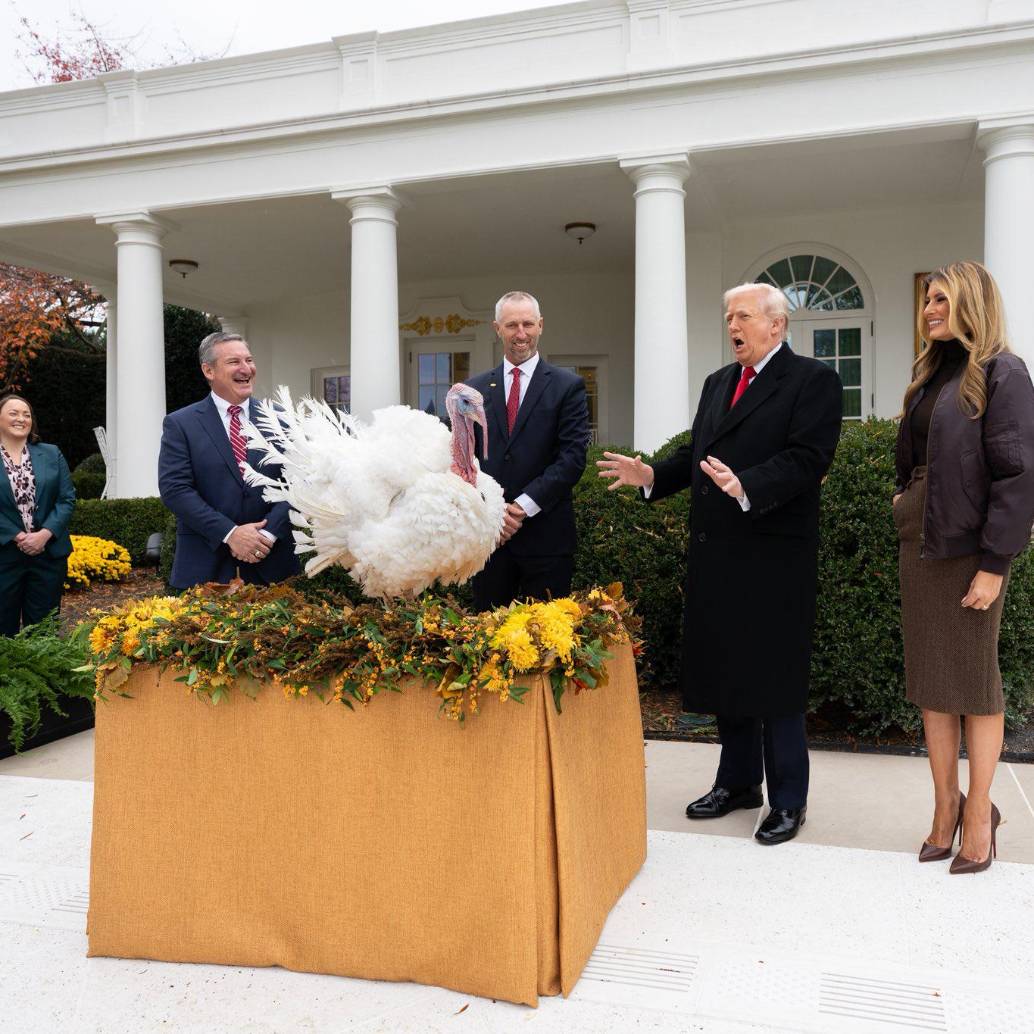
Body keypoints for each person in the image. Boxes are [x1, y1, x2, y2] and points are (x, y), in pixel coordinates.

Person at [598, 283, 842, 845]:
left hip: (774, 556)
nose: (733, 326)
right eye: (729, 316)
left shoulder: (812, 381)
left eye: (744, 316)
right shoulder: (718, 383)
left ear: (776, 325)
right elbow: (696, 454)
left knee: (775, 681)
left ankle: (787, 800)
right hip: (720, 554)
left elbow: (809, 458)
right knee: (729, 671)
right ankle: (736, 785)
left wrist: (748, 484)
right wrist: (654, 475)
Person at [894, 261, 1034, 874]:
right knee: (931, 682)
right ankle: (944, 805)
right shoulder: (931, 373)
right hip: (922, 543)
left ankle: (980, 809)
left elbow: (1017, 473)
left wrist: (995, 563)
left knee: (975, 682)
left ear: (973, 302)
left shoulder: (1003, 372)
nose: (930, 309)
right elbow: (915, 457)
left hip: (971, 549)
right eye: (928, 300)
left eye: (942, 299)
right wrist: (904, 499)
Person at [466, 290, 589, 610]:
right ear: (497, 329)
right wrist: (493, 514)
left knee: (547, 649)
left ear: (541, 326)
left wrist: (518, 509)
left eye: (528, 324)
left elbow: (572, 458)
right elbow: (465, 461)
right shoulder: (474, 390)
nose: (521, 334)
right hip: (490, 543)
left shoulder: (568, 386)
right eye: (511, 326)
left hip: (547, 542)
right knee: (487, 645)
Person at [159, 332, 301, 589]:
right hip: (205, 565)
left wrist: (265, 535)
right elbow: (175, 490)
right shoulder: (181, 424)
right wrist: (231, 533)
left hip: (273, 564)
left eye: (249, 360)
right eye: (235, 362)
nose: (246, 368)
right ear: (209, 370)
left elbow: (300, 482)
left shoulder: (282, 420)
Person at [0, 393, 76, 636]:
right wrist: (16, 536)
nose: (21, 418)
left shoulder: (52, 454)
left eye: (26, 414)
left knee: (43, 631)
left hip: (48, 555)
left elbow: (66, 498)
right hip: (4, 555)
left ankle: (43, 676)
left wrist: (44, 535)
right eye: (13, 413)